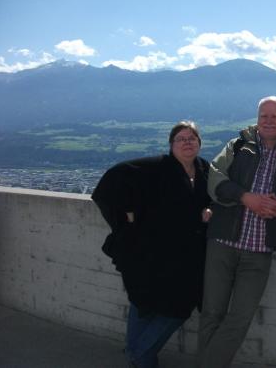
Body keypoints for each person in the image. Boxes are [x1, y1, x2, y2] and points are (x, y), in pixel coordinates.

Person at [198, 96, 276, 368]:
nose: (269, 120)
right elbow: (215, 178)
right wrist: (245, 198)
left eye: (275, 116)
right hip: (223, 241)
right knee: (212, 311)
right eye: (264, 115)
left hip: (259, 250)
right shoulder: (237, 145)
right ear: (257, 118)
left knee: (240, 317)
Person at [91, 121, 212, 368]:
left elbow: (214, 199)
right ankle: (141, 357)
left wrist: (209, 209)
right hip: (151, 254)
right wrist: (124, 220)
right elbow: (108, 185)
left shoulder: (204, 169)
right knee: (146, 304)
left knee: (167, 306)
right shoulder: (154, 168)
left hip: (186, 258)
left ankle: (136, 355)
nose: (187, 142)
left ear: (200, 143)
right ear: (171, 145)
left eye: (192, 138)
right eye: (181, 138)